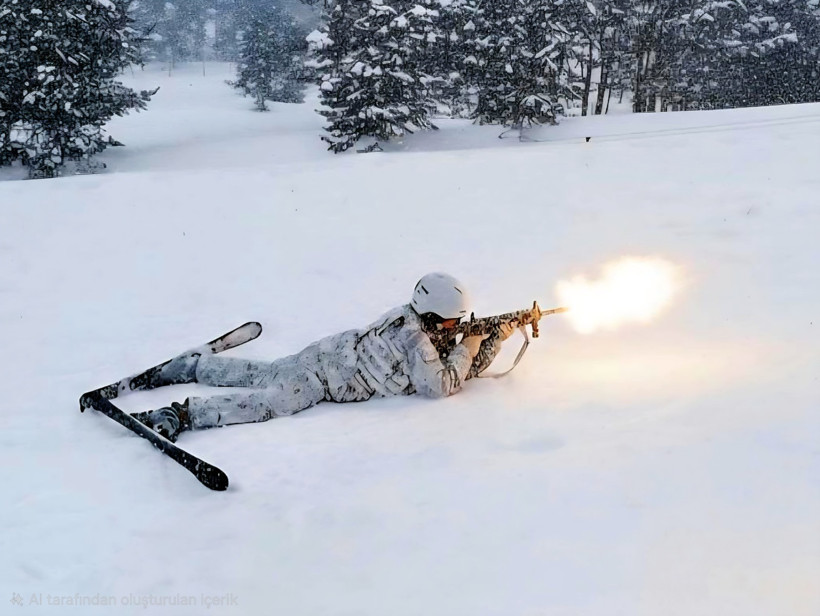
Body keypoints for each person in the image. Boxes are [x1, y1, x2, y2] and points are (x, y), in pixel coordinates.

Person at [133, 273, 515, 441]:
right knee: (271, 402)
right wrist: (470, 344)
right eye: (452, 321)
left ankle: (197, 366)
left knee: (263, 374)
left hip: (325, 354)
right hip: (324, 381)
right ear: (434, 314)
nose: (454, 327)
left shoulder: (406, 315)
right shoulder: (417, 340)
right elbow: (443, 383)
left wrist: (494, 338)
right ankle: (182, 413)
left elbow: (454, 368)